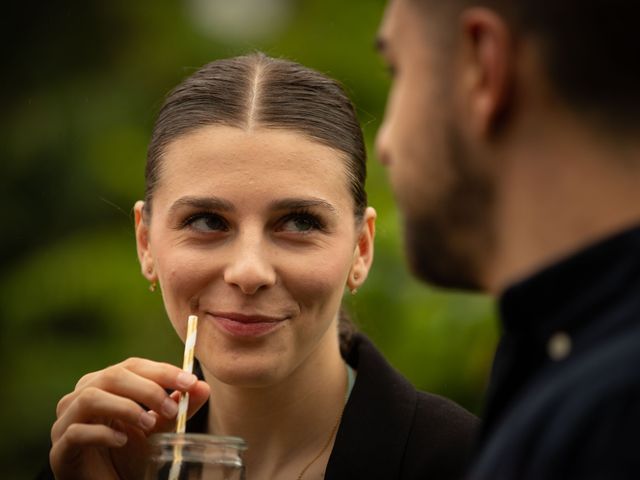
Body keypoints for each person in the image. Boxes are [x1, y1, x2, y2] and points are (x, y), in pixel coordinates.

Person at [43, 53, 478, 480]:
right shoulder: (96, 458)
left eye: (299, 222)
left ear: (361, 249)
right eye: (207, 222)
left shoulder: (473, 462)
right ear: (145, 243)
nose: (249, 272)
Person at [376, 0, 640, 478]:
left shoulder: (605, 423)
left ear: (482, 65)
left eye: (398, 69)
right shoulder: (569, 362)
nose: (386, 142)